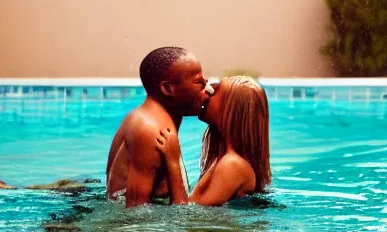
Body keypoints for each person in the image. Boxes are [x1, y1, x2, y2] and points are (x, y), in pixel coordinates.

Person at [106, 46, 214, 207]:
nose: (209, 90)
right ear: (167, 89)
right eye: (199, 82)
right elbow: (135, 215)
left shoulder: (144, 117)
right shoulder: (151, 129)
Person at [155, 75, 271, 206]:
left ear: (230, 111)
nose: (208, 92)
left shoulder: (232, 165)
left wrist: (172, 161)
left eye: (217, 91)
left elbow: (187, 218)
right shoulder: (227, 160)